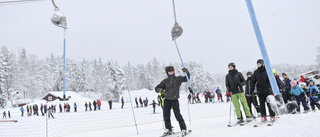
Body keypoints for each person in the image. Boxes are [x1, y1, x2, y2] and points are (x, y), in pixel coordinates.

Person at [155, 66, 190, 136]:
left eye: (172, 70)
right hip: (167, 100)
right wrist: (160, 90)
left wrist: (187, 72)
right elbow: (156, 88)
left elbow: (186, 78)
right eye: (169, 70)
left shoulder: (178, 79)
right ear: (167, 72)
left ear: (174, 71)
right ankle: (169, 129)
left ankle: (183, 129)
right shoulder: (165, 81)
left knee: (178, 115)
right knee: (166, 116)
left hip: (175, 100)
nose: (171, 71)